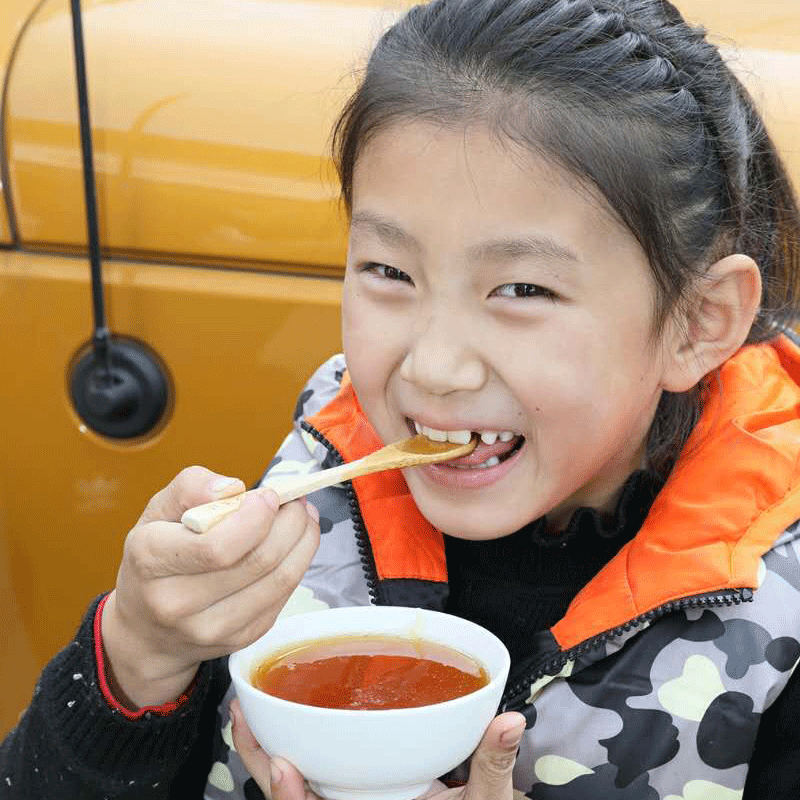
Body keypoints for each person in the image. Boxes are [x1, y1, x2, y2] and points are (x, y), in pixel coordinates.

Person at [3, 0, 800, 797]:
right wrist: (138, 657)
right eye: (388, 272)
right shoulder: (324, 479)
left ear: (699, 321)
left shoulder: (779, 623)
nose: (436, 367)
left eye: (521, 288)